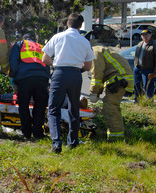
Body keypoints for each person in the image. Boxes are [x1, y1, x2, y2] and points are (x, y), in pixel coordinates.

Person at [42, 13, 95, 153]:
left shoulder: (58, 37)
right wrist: (76, 70)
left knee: (54, 109)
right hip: (76, 74)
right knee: (73, 108)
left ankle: (56, 143)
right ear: (80, 25)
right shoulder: (84, 41)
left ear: (67, 23)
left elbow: (45, 58)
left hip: (59, 73)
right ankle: (73, 142)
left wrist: (56, 65)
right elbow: (88, 66)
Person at [9, 34, 50, 140]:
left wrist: (13, 76)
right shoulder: (41, 47)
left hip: (24, 79)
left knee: (23, 105)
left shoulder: (19, 44)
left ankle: (26, 133)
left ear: (24, 38)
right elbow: (47, 63)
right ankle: (38, 133)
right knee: (40, 106)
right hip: (41, 79)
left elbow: (13, 61)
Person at [89, 45, 133, 141]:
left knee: (110, 107)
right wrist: (97, 92)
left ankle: (116, 138)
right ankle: (115, 136)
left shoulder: (95, 52)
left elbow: (97, 74)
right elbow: (101, 76)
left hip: (119, 80)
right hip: (119, 78)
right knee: (111, 107)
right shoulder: (98, 50)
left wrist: (94, 92)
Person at [133, 29, 156, 102]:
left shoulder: (154, 45)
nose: (144, 36)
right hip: (137, 68)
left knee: (147, 87)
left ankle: (149, 101)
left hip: (148, 69)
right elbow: (136, 56)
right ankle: (137, 101)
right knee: (136, 85)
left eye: (146, 35)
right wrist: (135, 65)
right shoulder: (140, 44)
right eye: (143, 35)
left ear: (150, 35)